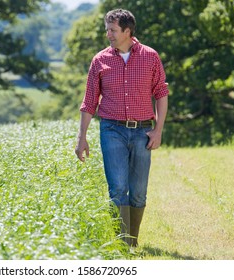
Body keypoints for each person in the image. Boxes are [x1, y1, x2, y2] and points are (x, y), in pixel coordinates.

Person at [75, 9, 169, 248]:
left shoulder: (150, 57)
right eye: (107, 29)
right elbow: (89, 101)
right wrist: (81, 137)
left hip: (142, 131)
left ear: (127, 31)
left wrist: (158, 130)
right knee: (117, 188)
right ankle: (122, 244)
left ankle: (132, 241)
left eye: (113, 30)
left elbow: (161, 93)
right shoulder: (100, 60)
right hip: (111, 130)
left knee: (138, 192)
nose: (108, 34)